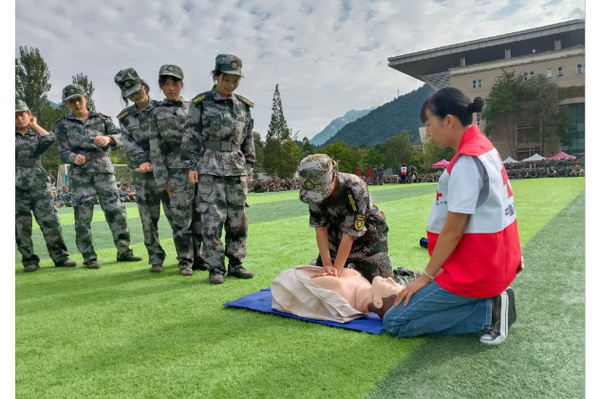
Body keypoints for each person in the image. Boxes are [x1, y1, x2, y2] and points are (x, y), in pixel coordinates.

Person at [383, 87, 522, 345]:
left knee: (395, 321)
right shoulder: (485, 147)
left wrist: (425, 278)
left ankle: (488, 311)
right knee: (418, 304)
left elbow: (453, 230)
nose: (427, 132)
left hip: (474, 272)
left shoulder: (468, 161)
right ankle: (488, 301)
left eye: (429, 124)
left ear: (448, 121)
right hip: (496, 262)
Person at [182, 54, 255, 285]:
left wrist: (249, 167)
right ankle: (215, 267)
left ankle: (236, 263)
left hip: (236, 166)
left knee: (238, 218)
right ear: (216, 76)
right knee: (212, 219)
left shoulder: (243, 106)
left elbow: (248, 139)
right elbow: (190, 136)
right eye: (227, 79)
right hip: (209, 166)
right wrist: (192, 166)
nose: (232, 84)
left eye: (236, 80)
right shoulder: (201, 102)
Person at [55, 84, 141, 269]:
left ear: (86, 98)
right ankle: (89, 257)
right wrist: (72, 157)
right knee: (83, 216)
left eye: (79, 99)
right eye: (72, 101)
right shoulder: (62, 125)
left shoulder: (103, 119)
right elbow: (61, 150)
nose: (77, 103)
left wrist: (109, 139)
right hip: (81, 174)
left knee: (116, 212)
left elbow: (121, 136)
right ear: (67, 104)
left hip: (104, 171)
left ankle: (124, 251)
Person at [115, 67, 178, 274]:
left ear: (144, 85)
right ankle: (156, 258)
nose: (136, 94)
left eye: (137, 88)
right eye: (130, 93)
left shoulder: (164, 108)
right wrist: (143, 161)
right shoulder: (125, 117)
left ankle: (186, 256)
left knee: (176, 215)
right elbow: (128, 143)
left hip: (168, 171)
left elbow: (172, 138)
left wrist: (159, 162)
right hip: (143, 175)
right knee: (148, 219)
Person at [297, 154, 393, 283]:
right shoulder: (313, 192)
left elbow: (350, 234)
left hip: (368, 237)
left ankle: (406, 275)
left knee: (382, 285)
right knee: (319, 280)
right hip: (335, 235)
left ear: (333, 177)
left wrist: (336, 272)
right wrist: (327, 265)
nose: (318, 197)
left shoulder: (354, 187)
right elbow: (320, 229)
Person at [148, 64, 202, 274]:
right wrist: (162, 180)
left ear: (182, 84)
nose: (171, 88)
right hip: (174, 171)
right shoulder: (156, 112)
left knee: (200, 216)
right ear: (161, 87)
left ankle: (200, 258)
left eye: (175, 83)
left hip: (198, 169)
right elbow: (155, 147)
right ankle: (185, 261)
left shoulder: (194, 107)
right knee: (181, 219)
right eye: (166, 84)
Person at [15, 99, 76, 272]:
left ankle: (60, 257)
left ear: (29, 115)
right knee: (21, 226)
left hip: (39, 184)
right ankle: (29, 260)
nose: (19, 118)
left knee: (51, 222)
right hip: (16, 186)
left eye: (23, 114)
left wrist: (35, 125)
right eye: (15, 115)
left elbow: (51, 139)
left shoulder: (36, 136)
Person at [271, 266, 404, 323]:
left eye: (391, 287)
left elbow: (301, 280)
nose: (391, 280)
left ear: (378, 302)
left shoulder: (341, 289)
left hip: (288, 280)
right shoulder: (361, 284)